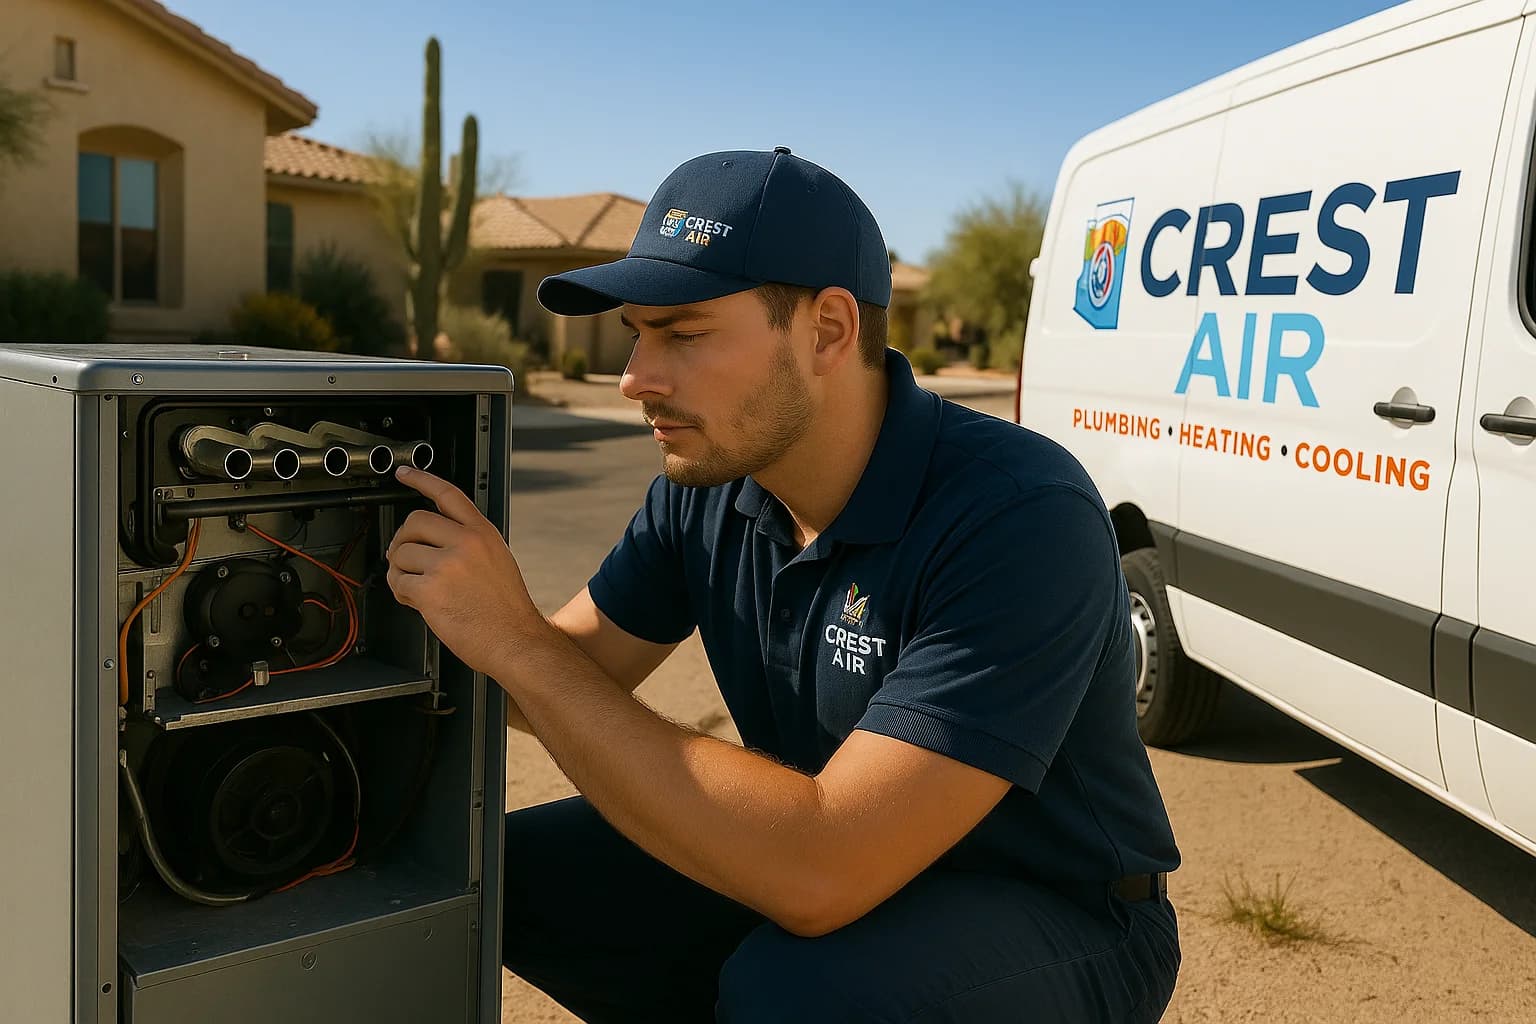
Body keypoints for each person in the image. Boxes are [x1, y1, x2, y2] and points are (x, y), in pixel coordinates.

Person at [384, 147, 1182, 1023]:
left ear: (828, 332)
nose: (634, 379)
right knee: (498, 872)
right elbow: (571, 675)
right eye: (636, 335)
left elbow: (823, 868)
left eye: (683, 335)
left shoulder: (1018, 513)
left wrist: (521, 646)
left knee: (801, 993)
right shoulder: (710, 490)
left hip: (1055, 911)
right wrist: (428, 611)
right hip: (827, 860)